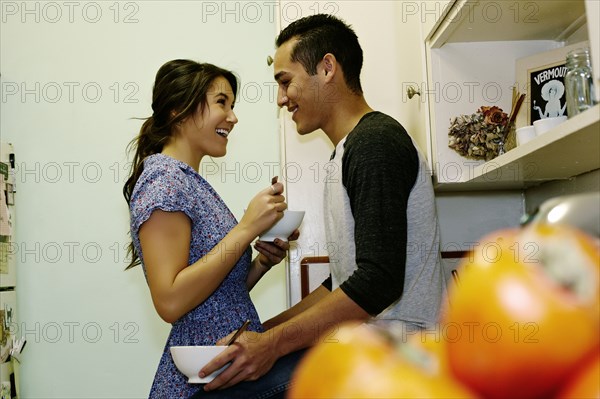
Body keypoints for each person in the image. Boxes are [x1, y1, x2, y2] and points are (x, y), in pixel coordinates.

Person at [198, 13, 447, 394]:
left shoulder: (375, 143)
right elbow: (344, 284)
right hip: (362, 344)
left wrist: (273, 344)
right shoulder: (347, 152)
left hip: (399, 356)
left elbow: (378, 282)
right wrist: (264, 333)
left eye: (285, 82)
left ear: (327, 67)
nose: (281, 99)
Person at [123, 59, 302, 398]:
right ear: (179, 110)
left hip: (223, 372)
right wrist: (246, 229)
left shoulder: (189, 182)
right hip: (204, 384)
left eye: (232, 106)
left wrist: (262, 263)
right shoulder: (164, 182)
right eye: (222, 103)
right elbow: (171, 301)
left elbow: (216, 296)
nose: (233, 117)